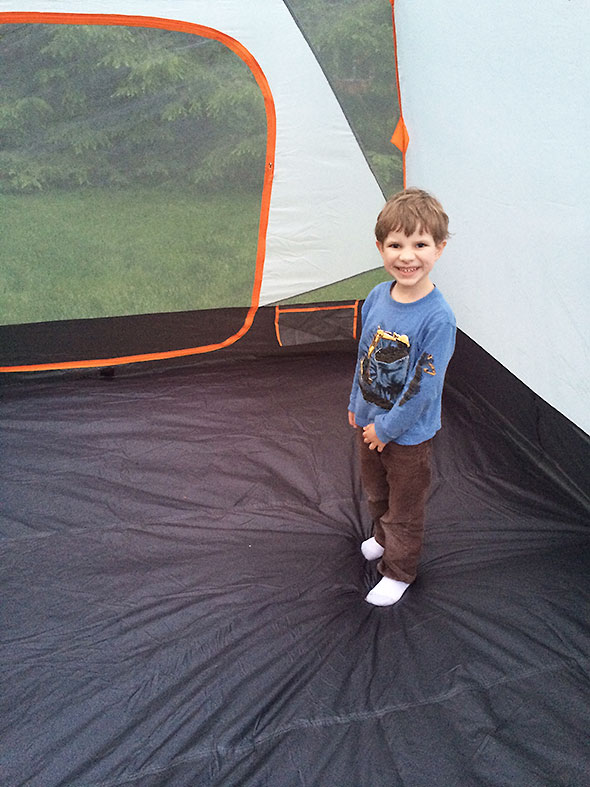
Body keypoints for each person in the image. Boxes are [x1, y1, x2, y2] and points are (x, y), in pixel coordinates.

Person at [348, 188, 456, 606]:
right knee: (376, 491)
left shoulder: (438, 318)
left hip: (407, 435)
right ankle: (381, 536)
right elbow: (364, 355)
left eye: (420, 244)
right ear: (380, 248)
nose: (407, 256)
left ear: (439, 248)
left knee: (405, 506)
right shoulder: (377, 296)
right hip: (370, 422)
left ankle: (399, 570)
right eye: (396, 245)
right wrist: (356, 404)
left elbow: (423, 388)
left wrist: (387, 429)